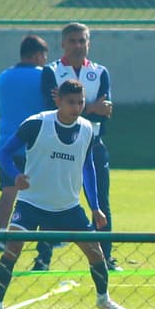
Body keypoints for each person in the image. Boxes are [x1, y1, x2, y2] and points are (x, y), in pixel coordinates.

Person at [0, 79, 129, 309]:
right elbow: (5, 152)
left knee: (96, 253)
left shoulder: (87, 128)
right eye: (71, 102)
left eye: (80, 102)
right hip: (31, 203)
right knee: (12, 250)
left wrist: (95, 207)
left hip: (68, 207)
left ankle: (103, 299)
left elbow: (88, 167)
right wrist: (15, 175)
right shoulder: (36, 124)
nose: (76, 108)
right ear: (59, 101)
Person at [38, 22, 117, 272]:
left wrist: (74, 108)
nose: (78, 46)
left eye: (82, 41)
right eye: (72, 41)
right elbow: (52, 110)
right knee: (50, 199)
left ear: (88, 43)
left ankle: (106, 257)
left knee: (100, 200)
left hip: (92, 143)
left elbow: (105, 112)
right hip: (58, 144)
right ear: (63, 44)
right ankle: (42, 258)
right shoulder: (52, 71)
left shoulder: (100, 72)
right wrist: (91, 108)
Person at [0, 34, 49, 256]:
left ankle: (1, 234)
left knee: (9, 190)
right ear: (38, 55)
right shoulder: (44, 76)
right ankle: (47, 237)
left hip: (7, 143)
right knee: (43, 192)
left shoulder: (4, 76)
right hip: (36, 144)